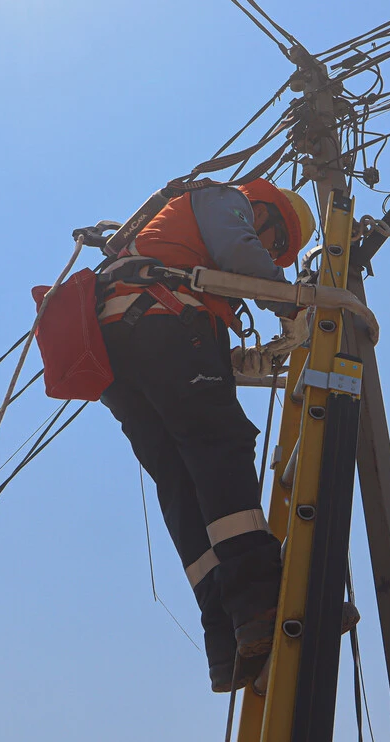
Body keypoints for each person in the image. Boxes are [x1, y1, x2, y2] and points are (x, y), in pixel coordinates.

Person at [97, 178, 315, 692]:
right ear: (263, 208)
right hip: (162, 320)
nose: (273, 253)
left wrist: (231, 358)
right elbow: (241, 250)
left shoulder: (159, 239)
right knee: (219, 446)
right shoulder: (223, 200)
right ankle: (259, 602)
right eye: (276, 240)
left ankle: (227, 637)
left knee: (181, 482)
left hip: (118, 357)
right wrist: (297, 305)